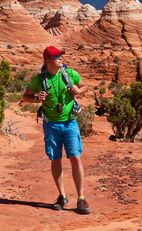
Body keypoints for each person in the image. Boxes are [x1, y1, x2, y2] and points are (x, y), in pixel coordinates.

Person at [23, 46, 91, 214]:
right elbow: (26, 97)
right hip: (51, 124)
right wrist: (36, 98)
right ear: (48, 61)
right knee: (56, 159)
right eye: (56, 56)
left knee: (75, 157)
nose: (61, 57)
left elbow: (85, 87)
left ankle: (81, 199)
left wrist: (78, 90)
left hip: (70, 123)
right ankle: (62, 196)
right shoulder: (39, 79)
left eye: (61, 55)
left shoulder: (70, 74)